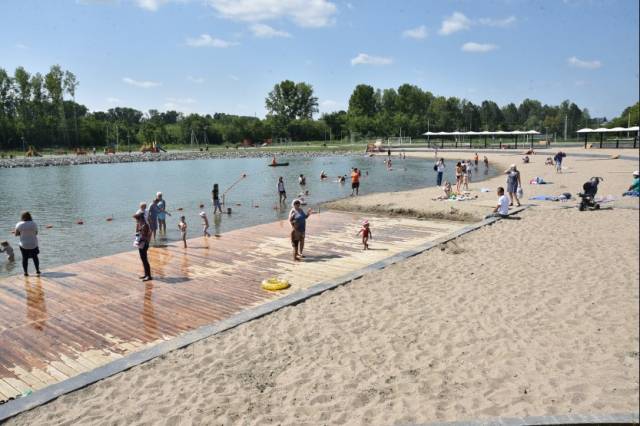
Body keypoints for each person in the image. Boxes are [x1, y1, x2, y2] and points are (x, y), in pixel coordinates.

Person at [15, 211, 40, 276]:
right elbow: (36, 233)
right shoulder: (34, 223)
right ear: (30, 216)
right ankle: (37, 271)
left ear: (22, 217)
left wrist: (22, 233)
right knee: (35, 257)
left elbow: (16, 234)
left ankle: (26, 272)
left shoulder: (19, 224)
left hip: (23, 244)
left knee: (24, 258)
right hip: (33, 244)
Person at [134, 211, 152, 281]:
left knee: (145, 259)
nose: (136, 221)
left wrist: (140, 236)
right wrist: (137, 228)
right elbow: (137, 232)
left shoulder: (145, 225)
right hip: (140, 243)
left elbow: (146, 235)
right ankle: (146, 274)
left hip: (144, 243)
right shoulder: (140, 224)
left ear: (141, 218)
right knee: (142, 259)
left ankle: (149, 276)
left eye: (137, 219)